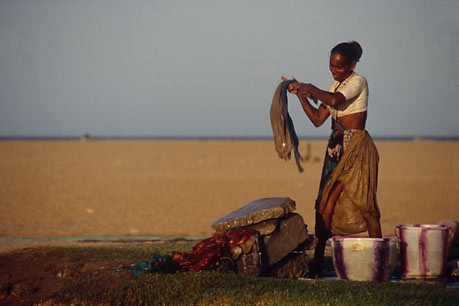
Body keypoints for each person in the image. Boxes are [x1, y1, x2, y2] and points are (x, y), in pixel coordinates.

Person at [281, 41, 382, 274]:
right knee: (324, 205)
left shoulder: (358, 81)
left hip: (355, 147)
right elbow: (318, 119)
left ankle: (380, 258)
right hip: (336, 148)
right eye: (331, 66)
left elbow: (335, 101)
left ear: (352, 65)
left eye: (339, 67)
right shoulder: (335, 85)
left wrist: (309, 87)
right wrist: (300, 95)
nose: (334, 71)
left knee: (365, 205)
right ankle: (317, 261)